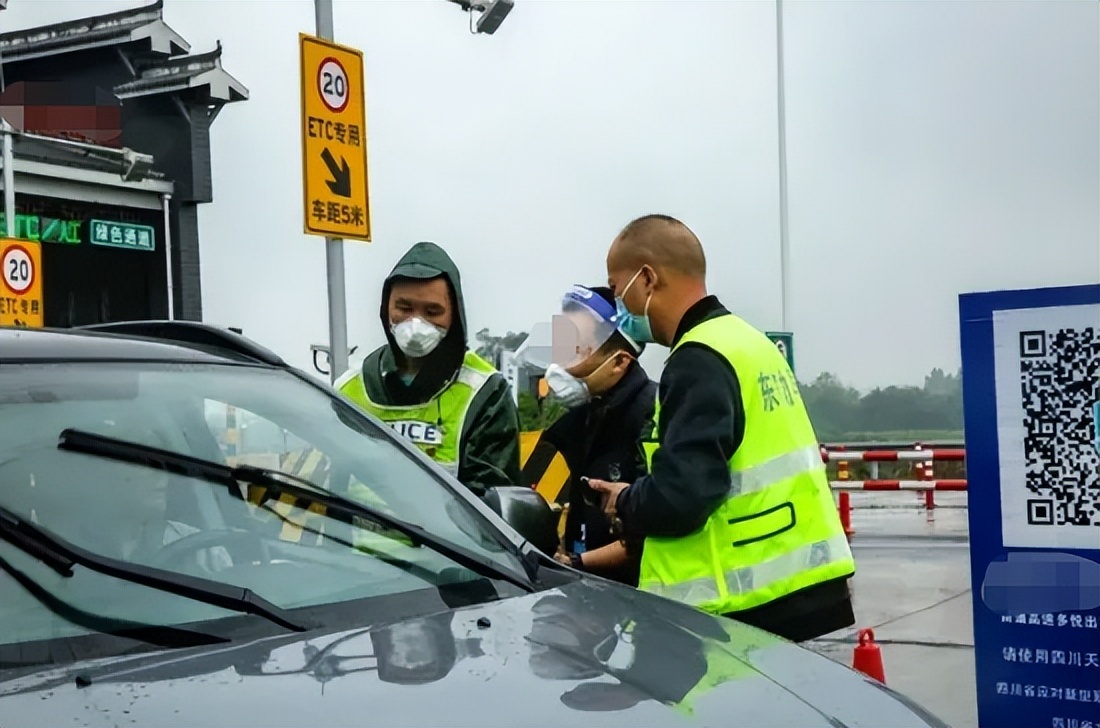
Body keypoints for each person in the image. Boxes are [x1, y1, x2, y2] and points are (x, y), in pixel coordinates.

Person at [589, 214, 856, 643]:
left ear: (648, 279)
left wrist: (626, 502)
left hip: (741, 606)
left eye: (618, 290)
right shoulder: (749, 342)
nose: (620, 307)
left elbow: (683, 496)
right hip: (794, 587)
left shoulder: (696, 359)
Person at [336, 241, 522, 497]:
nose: (415, 324)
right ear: (386, 307)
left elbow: (494, 506)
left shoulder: (485, 392)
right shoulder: (348, 389)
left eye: (433, 311)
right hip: (353, 539)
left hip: (446, 539)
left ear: (454, 316)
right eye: (404, 307)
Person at [539, 284, 656, 586]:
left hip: (635, 602)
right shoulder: (585, 415)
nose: (563, 362)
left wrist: (575, 564)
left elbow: (654, 532)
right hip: (585, 595)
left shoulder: (651, 417)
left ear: (619, 362)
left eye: (577, 349)